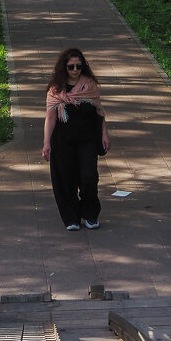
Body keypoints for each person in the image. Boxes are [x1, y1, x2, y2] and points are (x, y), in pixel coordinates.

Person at [42, 48, 110, 230]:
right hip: (63, 140)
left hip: (87, 138)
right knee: (66, 178)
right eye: (71, 67)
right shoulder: (55, 90)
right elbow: (50, 117)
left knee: (89, 176)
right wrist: (46, 143)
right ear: (64, 67)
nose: (75, 70)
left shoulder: (89, 86)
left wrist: (104, 134)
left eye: (78, 66)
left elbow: (99, 112)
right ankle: (71, 217)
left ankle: (90, 213)